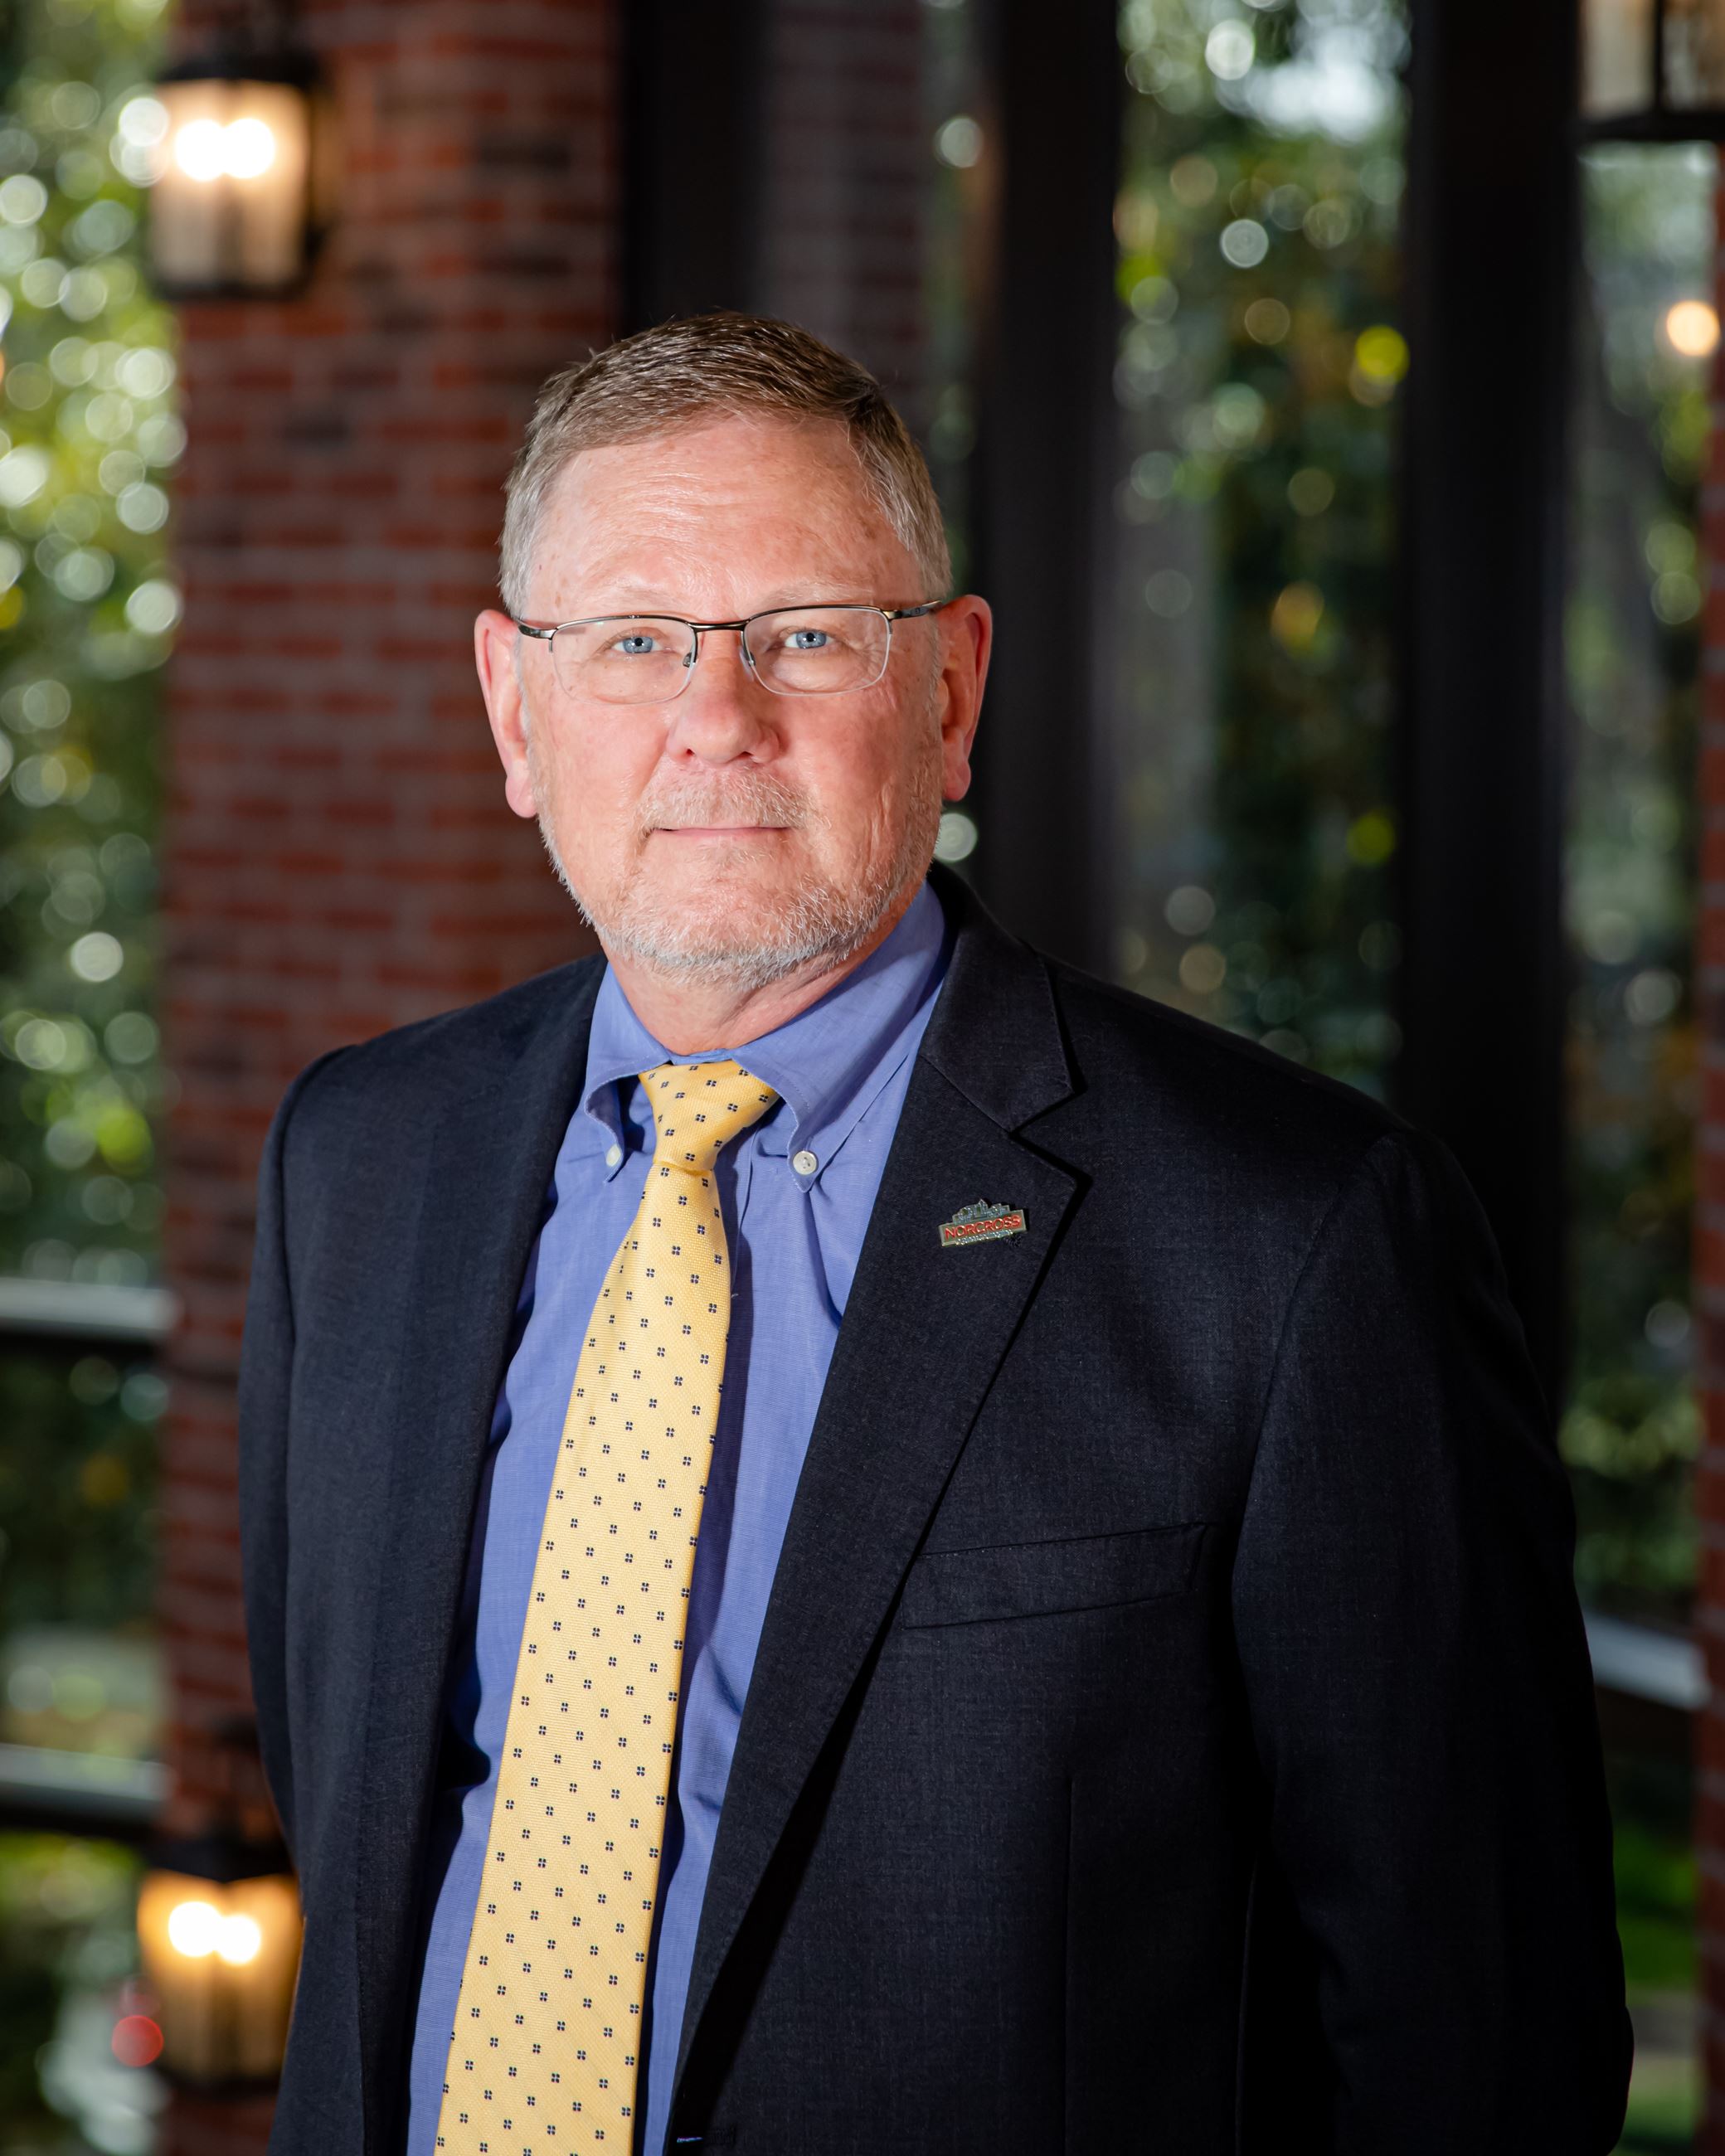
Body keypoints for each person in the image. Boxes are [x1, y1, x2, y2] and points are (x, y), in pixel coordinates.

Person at [236, 311, 1632, 2156]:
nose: (714, 719)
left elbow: (1477, 2042)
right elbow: (348, 1808)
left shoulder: (1292, 1240)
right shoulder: (359, 1163)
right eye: (635, 641)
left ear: (951, 692)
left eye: (807, 635)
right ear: (514, 707)